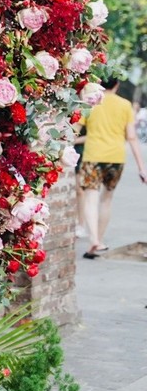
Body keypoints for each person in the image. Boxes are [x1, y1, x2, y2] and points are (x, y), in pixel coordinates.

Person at [79, 77, 147, 259]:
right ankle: (99, 241)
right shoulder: (125, 105)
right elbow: (132, 137)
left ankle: (93, 240)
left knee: (90, 199)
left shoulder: (91, 103)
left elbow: (77, 128)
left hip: (93, 156)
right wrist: (142, 168)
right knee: (106, 200)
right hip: (116, 158)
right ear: (116, 85)